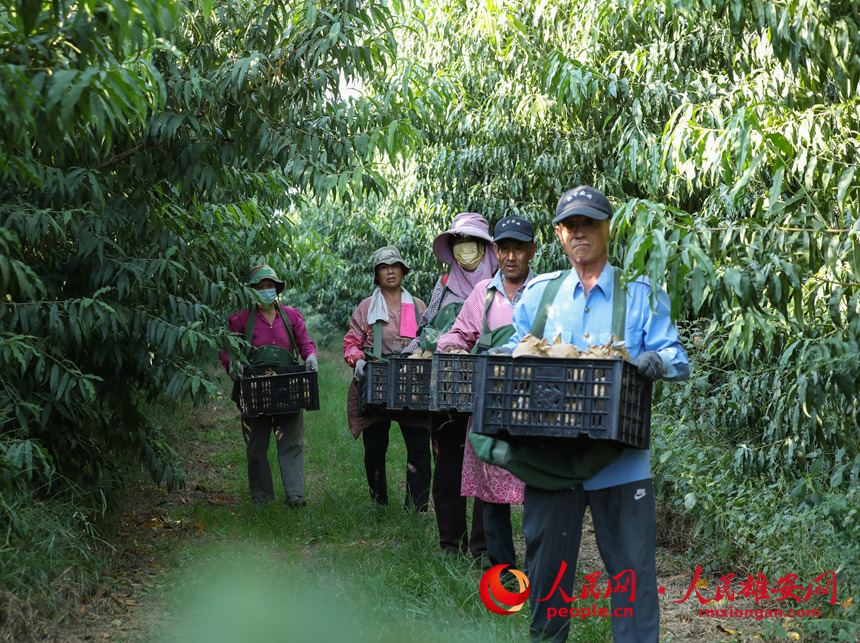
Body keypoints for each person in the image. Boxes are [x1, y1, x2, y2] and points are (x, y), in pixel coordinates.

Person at [491, 187, 689, 643]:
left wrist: (658, 361)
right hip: (550, 456)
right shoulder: (540, 295)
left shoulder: (640, 293)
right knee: (546, 574)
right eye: (571, 225)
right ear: (559, 234)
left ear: (608, 229)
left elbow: (676, 355)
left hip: (620, 461)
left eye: (590, 223)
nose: (580, 232)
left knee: (632, 575)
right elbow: (515, 347)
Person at [436, 215, 537, 573]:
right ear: (496, 250)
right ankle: (502, 569)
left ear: (531, 251)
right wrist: (451, 346)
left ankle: (538, 568)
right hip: (489, 406)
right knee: (491, 490)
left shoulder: (543, 293)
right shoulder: (484, 293)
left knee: (535, 490)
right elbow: (457, 334)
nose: (511, 256)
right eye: (504, 248)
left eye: (518, 249)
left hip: (532, 408)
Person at [405, 212, 499, 562]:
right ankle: (450, 542)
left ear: (486, 247)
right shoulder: (443, 285)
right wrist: (413, 351)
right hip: (447, 386)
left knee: (486, 467)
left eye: (471, 243)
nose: (465, 249)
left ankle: (484, 545)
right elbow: (425, 328)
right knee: (447, 464)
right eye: (459, 243)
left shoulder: (501, 286)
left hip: (488, 388)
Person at [220, 264, 318, 508]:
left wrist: (310, 356)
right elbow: (228, 348)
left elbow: (304, 343)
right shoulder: (241, 318)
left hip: (286, 386)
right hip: (255, 388)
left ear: (276, 288)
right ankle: (262, 497)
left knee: (291, 440)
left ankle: (295, 496)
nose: (265, 290)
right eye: (260, 286)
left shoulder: (291, 315)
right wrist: (232, 364)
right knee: (256, 443)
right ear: (251, 291)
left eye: (269, 285)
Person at [343, 246, 431, 510]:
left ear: (403, 271)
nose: (390, 271)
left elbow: (429, 339)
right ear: (376, 274)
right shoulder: (367, 307)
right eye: (384, 267)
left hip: (410, 381)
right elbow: (352, 341)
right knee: (375, 446)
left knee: (419, 445)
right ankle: (379, 502)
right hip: (377, 380)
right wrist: (358, 359)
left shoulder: (418, 306)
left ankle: (416, 509)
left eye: (395, 266)